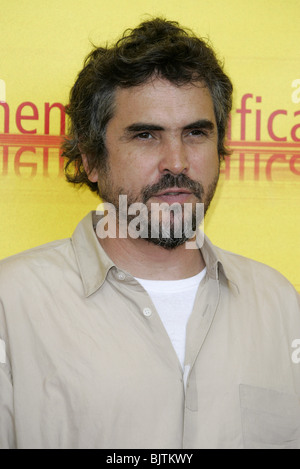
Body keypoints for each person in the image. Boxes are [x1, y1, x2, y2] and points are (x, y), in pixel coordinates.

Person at [0, 18, 299, 450]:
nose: (176, 162)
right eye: (146, 135)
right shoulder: (11, 304)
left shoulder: (279, 303)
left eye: (196, 133)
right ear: (90, 159)